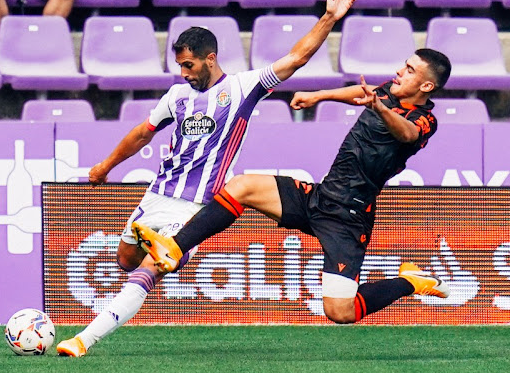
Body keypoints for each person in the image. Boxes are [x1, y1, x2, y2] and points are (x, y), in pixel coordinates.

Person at [56, 0, 357, 356]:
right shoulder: (177, 96)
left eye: (189, 65)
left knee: (149, 271)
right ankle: (165, 250)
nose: (183, 73)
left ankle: (83, 340)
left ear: (210, 59)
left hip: (196, 207)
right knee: (125, 260)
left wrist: (329, 16)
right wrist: (105, 166)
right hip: (157, 195)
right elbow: (141, 133)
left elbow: (295, 58)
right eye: (180, 65)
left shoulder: (243, 87)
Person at [133, 48, 452, 325]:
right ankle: (174, 247)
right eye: (403, 64)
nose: (399, 71)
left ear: (426, 85)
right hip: (321, 196)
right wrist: (319, 96)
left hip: (349, 218)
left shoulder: (425, 121)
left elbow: (407, 134)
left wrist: (378, 108)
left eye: (409, 70)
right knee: (242, 186)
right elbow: (361, 93)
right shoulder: (387, 91)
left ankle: (411, 281)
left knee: (341, 311)